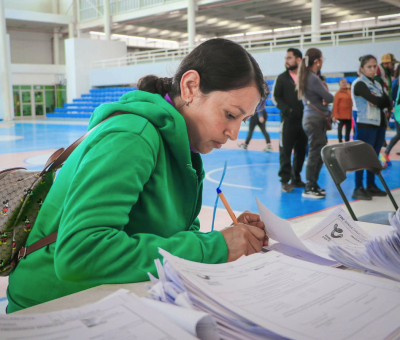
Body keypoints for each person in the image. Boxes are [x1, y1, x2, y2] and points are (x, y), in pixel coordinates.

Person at [7, 39, 269, 313]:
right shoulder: (133, 136)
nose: (235, 133)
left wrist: (227, 238)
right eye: (230, 114)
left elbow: (171, 235)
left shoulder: (184, 149)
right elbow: (80, 252)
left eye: (243, 120)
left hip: (105, 298)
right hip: (51, 308)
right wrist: (213, 247)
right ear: (190, 86)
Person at [351, 55, 392, 200]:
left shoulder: (377, 84)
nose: (373, 69)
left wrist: (380, 101)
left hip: (379, 124)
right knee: (362, 157)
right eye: (369, 66)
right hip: (366, 124)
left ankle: (370, 185)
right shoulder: (359, 84)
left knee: (373, 157)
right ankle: (358, 187)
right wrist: (380, 101)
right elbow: (376, 100)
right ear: (362, 68)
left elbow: (387, 102)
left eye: (375, 66)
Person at [296, 48, 333, 199]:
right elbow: (329, 98)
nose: (323, 61)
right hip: (315, 119)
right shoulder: (312, 78)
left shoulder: (308, 77)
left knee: (318, 153)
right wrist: (326, 95)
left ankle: (313, 184)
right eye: (322, 58)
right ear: (317, 61)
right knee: (315, 153)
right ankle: (310, 186)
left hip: (313, 119)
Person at [273, 48, 307, 193]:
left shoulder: (305, 78)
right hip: (288, 121)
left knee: (301, 151)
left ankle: (296, 178)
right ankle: (285, 181)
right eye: (286, 58)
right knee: (285, 151)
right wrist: (288, 110)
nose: (286, 61)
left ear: (298, 60)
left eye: (289, 58)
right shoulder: (281, 78)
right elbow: (276, 98)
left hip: (304, 121)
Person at [383, 64, 400, 164]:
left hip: (397, 111)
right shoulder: (396, 82)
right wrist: (389, 110)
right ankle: (386, 153)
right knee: (398, 134)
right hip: (398, 112)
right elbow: (392, 97)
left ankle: (386, 152)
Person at [332, 78, 353, 142]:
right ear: (339, 84)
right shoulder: (338, 94)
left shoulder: (350, 92)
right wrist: (335, 116)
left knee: (348, 130)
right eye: (343, 83)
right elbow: (335, 106)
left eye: (345, 82)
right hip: (340, 116)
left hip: (349, 115)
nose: (344, 84)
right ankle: (340, 141)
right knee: (340, 130)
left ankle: (347, 141)